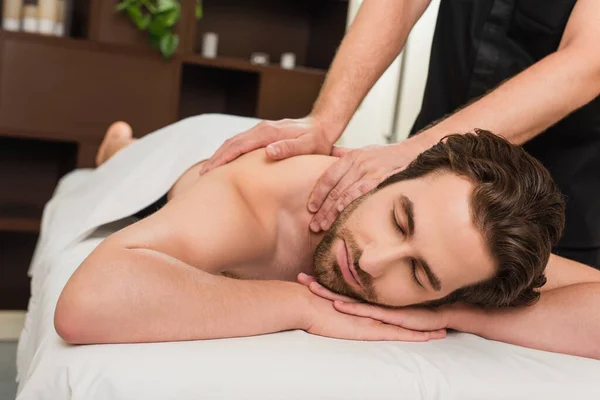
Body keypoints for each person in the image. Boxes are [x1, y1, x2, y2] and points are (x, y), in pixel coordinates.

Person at [54, 121, 600, 360]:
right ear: (394, 172)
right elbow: (87, 306)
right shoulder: (253, 211)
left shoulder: (464, 244)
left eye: (419, 275)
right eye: (399, 220)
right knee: (123, 165)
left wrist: (455, 314)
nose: (374, 259)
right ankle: (119, 149)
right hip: (202, 156)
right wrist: (300, 304)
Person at [199, 0, 600, 269]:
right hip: (429, 170)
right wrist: (324, 120)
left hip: (567, 209)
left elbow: (585, 61)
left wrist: (414, 152)